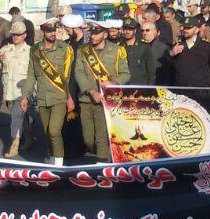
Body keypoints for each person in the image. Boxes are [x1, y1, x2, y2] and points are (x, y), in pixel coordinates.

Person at [72, 21, 130, 161]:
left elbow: (125, 74)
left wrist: (113, 83)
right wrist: (92, 91)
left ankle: (102, 167)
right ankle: (101, 155)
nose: (93, 36)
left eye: (97, 33)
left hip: (106, 100)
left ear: (105, 34)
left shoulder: (117, 50)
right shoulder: (83, 50)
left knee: (102, 138)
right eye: (92, 33)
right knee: (88, 139)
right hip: (86, 99)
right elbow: (79, 73)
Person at [22, 19, 75, 166]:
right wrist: (25, 96)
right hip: (42, 98)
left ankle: (59, 164)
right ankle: (52, 160)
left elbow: (68, 77)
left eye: (55, 30)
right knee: (47, 133)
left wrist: (69, 97)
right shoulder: (35, 50)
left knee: (54, 131)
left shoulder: (65, 49)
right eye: (49, 31)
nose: (53, 33)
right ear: (42, 32)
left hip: (59, 97)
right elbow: (31, 75)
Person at [0, 21, 32, 157]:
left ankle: (14, 146)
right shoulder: (6, 49)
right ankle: (28, 136)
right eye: (14, 34)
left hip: (22, 91)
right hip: (8, 90)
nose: (15, 37)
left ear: (25, 35)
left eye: (18, 34)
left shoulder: (30, 51)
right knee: (21, 117)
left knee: (16, 117)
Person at [169, 15, 210, 87]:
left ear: (197, 30)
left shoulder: (206, 46)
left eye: (188, 28)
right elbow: (168, 67)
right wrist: (171, 54)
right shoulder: (176, 45)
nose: (185, 30)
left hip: (201, 88)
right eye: (184, 27)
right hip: (181, 88)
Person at [128, 19, 170, 85]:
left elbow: (166, 71)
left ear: (155, 31)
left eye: (147, 30)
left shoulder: (163, 48)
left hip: (157, 83)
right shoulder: (137, 46)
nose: (144, 33)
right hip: (141, 83)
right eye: (142, 30)